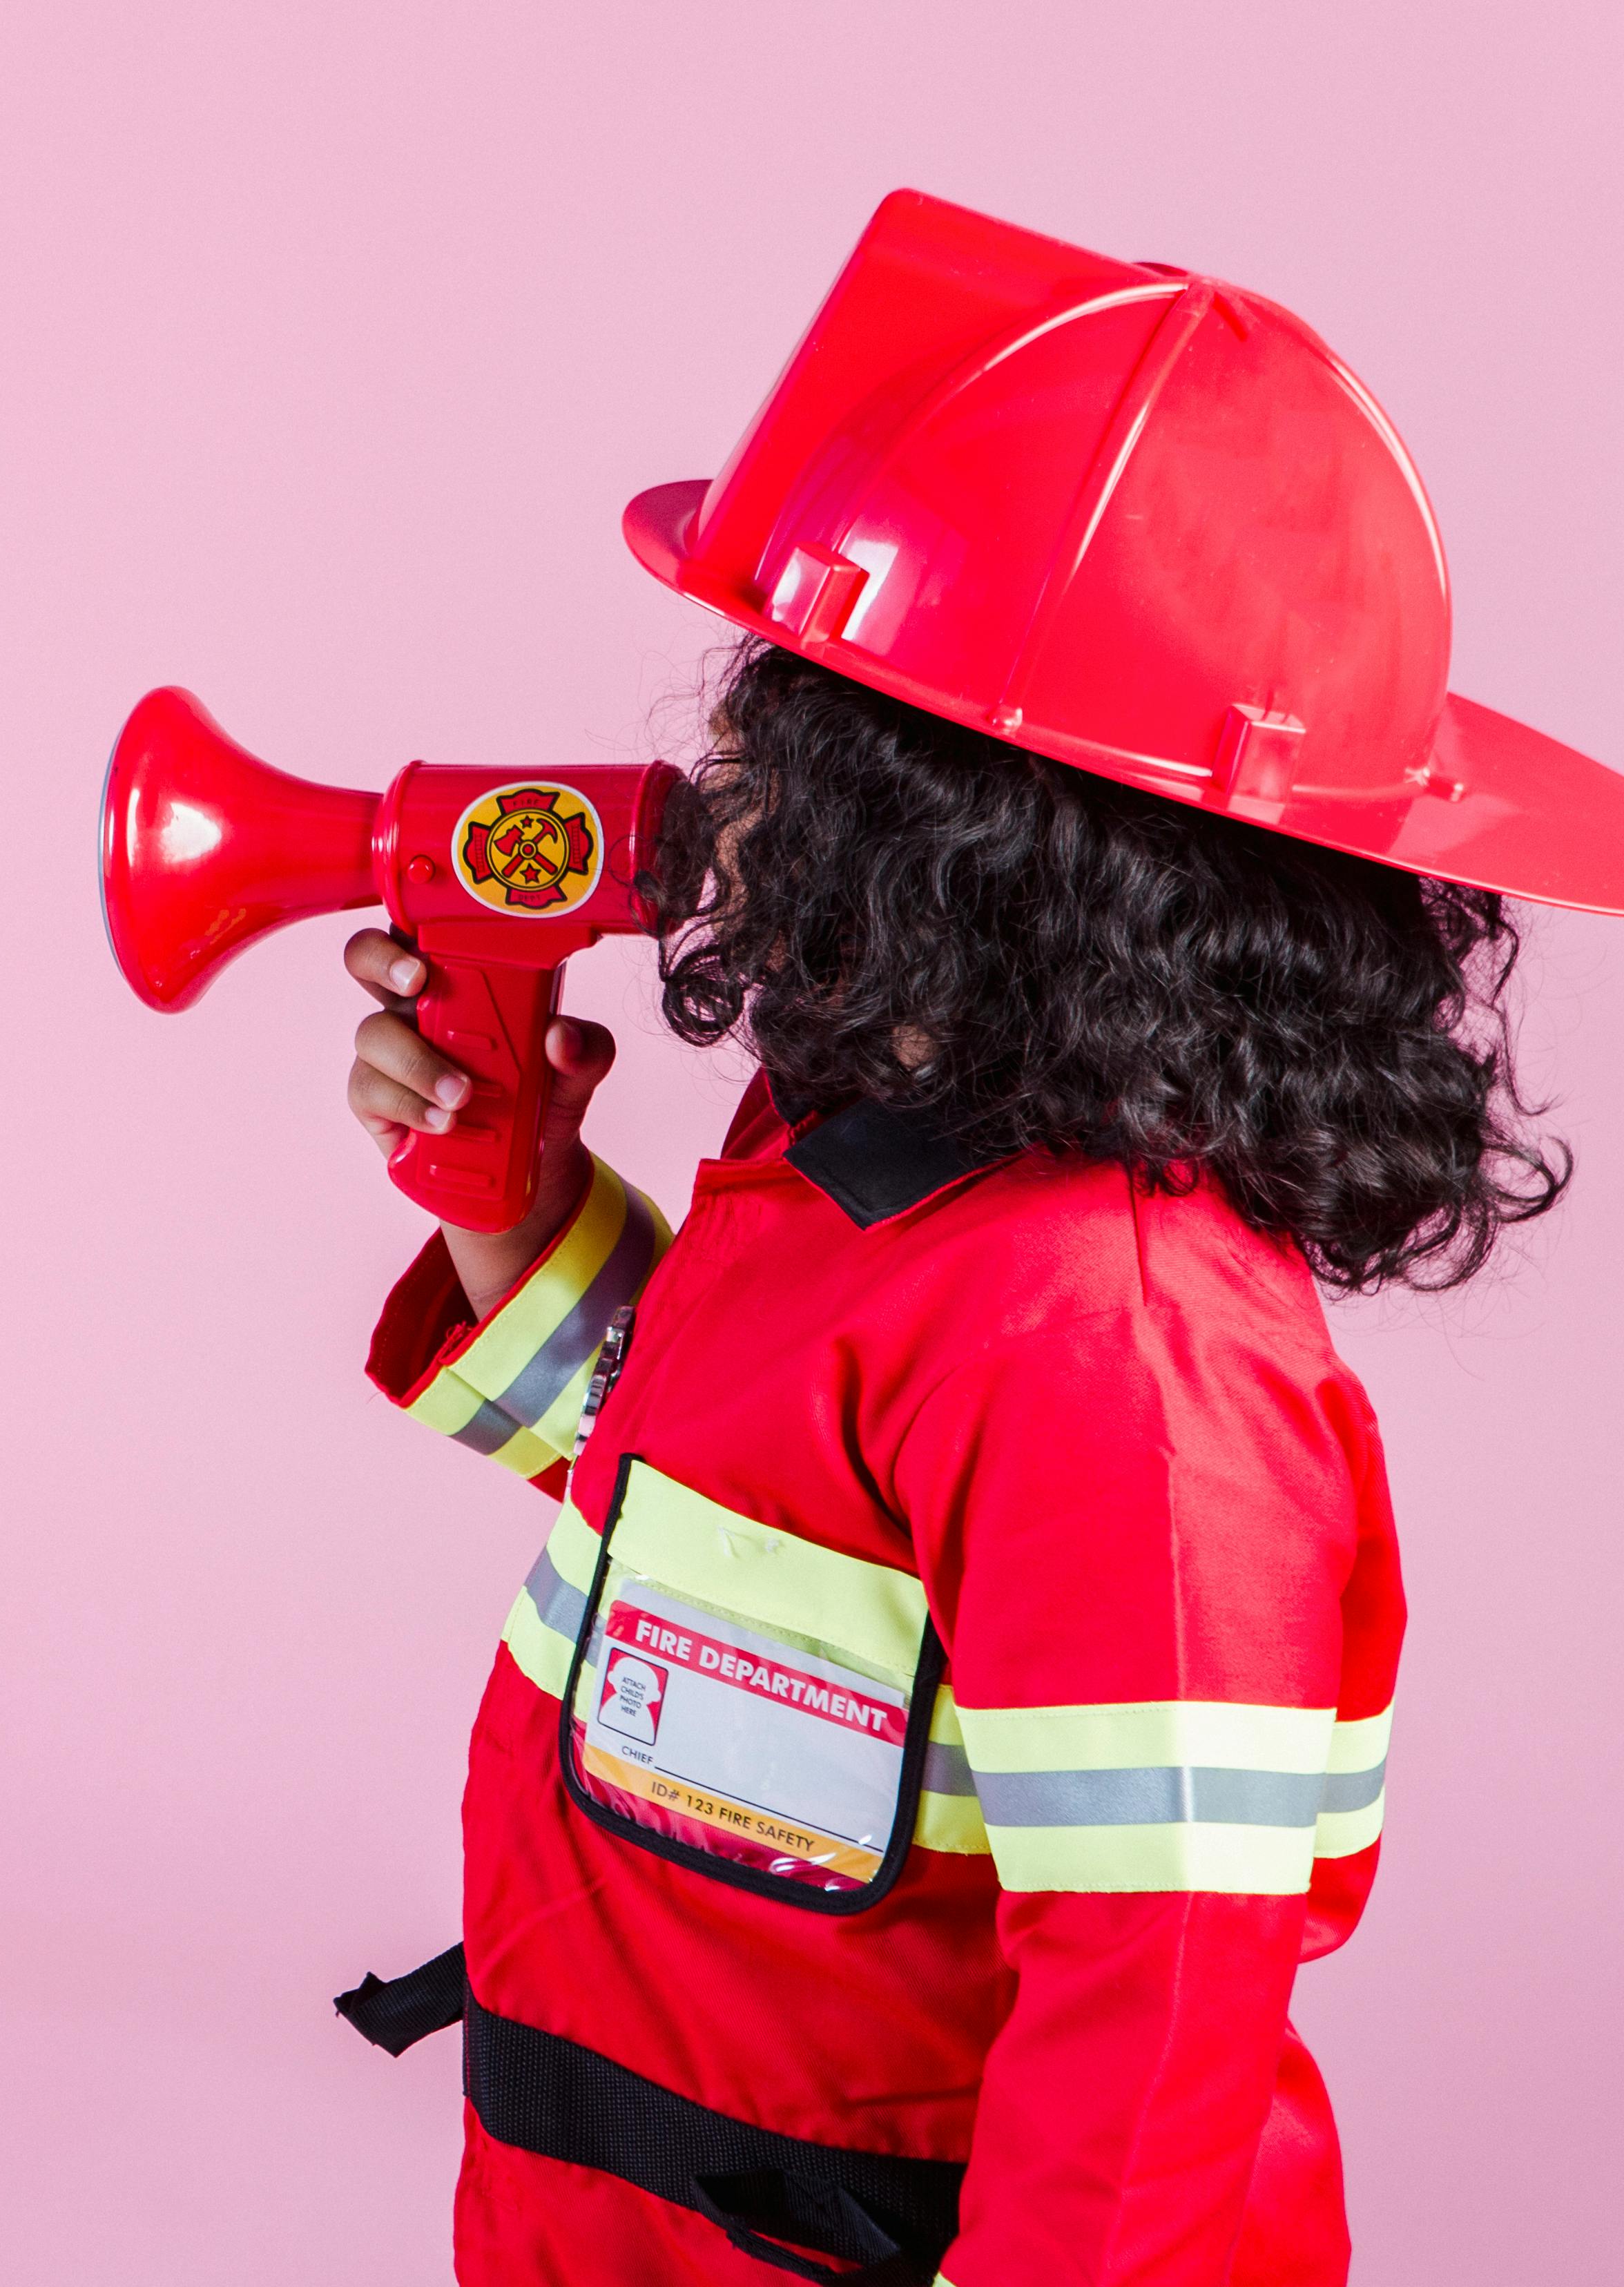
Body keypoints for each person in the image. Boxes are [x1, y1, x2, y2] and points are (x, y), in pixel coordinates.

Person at [329, 193, 1624, 2284]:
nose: (720, 760)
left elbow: (1152, 2054)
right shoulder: (857, 1165)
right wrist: (512, 1211)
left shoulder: (1127, 1360)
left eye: (785, 712)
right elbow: (715, 1535)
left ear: (956, 827)